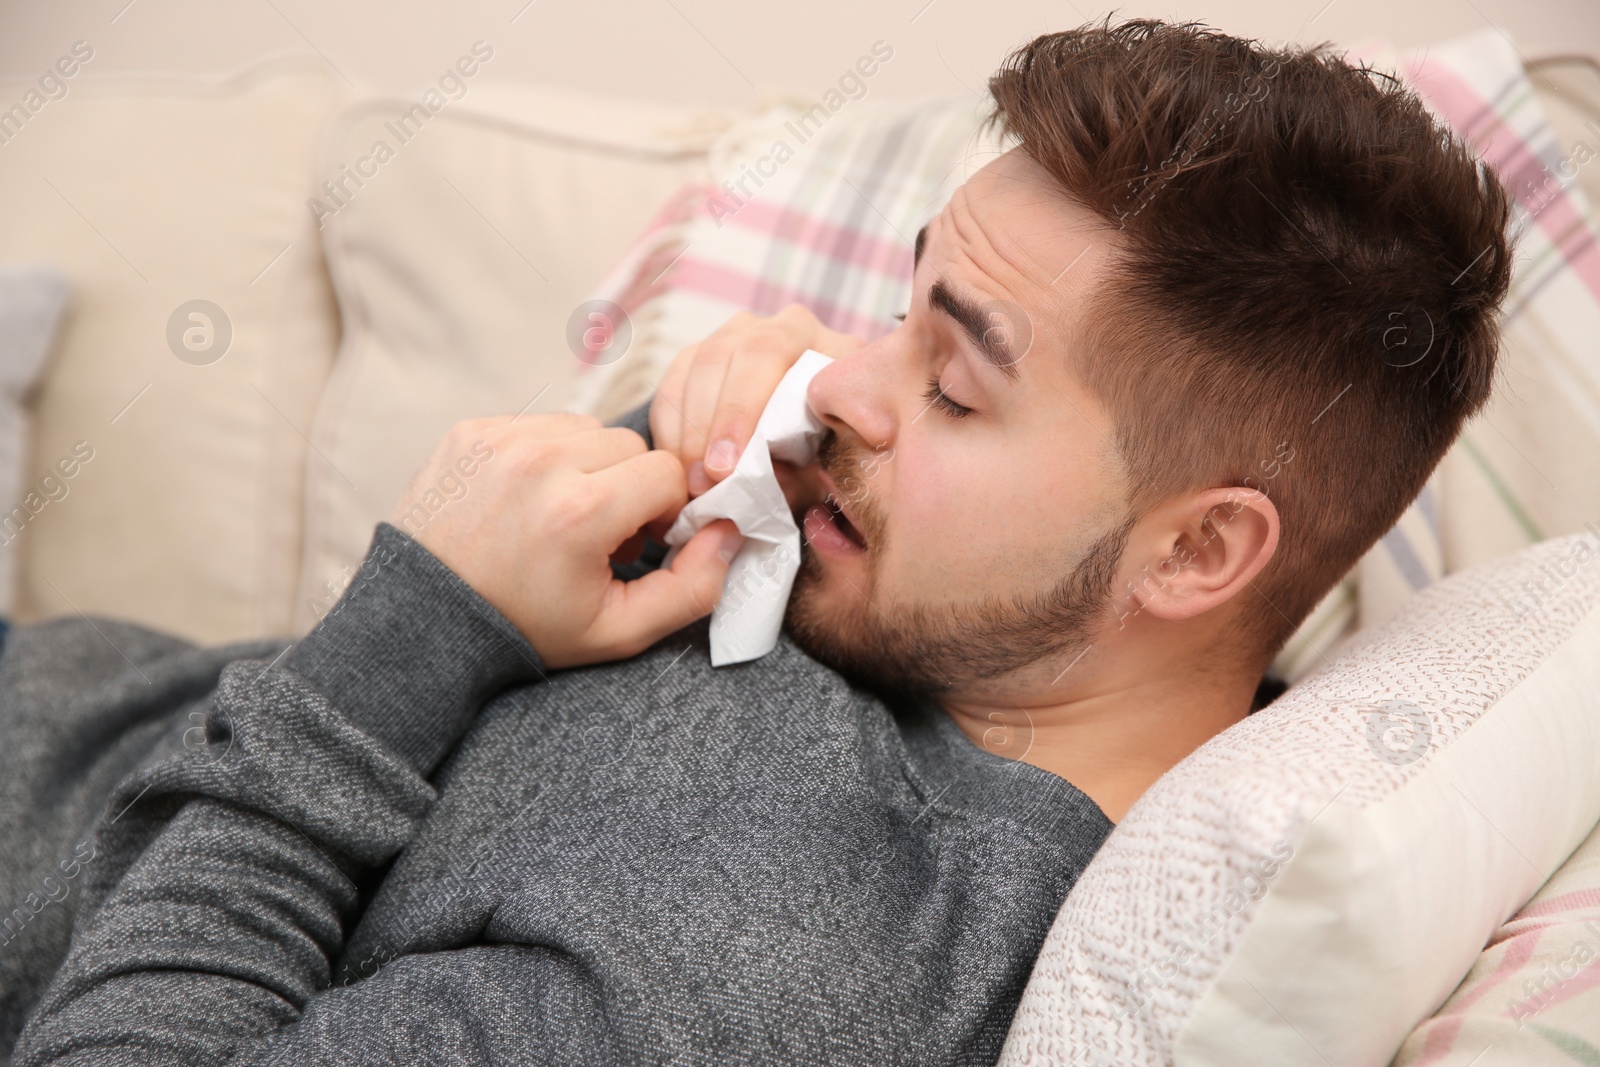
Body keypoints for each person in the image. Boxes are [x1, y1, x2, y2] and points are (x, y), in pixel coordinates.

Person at [0, 16, 1511, 1066]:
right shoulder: (889, 584)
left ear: (1195, 559)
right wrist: (664, 443)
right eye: (902, 312)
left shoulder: (785, 972)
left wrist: (408, 628)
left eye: (958, 383)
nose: (844, 383)